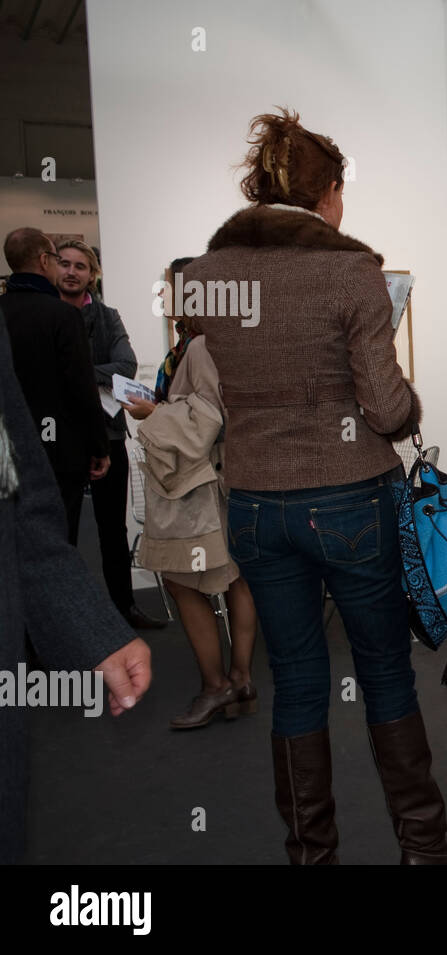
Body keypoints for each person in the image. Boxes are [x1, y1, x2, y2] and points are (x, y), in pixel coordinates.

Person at [183, 107, 447, 864]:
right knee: (383, 672)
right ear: (328, 191)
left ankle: (311, 855)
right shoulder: (351, 271)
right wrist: (410, 404)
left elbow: (216, 385)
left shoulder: (204, 279)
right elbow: (387, 409)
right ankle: (426, 850)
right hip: (347, 500)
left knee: (298, 680)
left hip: (253, 507)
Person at [0, 306, 153, 864]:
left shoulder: (97, 319)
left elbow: (20, 499)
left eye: (77, 265)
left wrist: (88, 626)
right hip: (84, 442)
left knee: (110, 537)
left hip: (84, 447)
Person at [123, 257, 260, 730]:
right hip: (229, 479)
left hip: (199, 486)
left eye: (171, 288)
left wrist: (149, 415)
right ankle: (240, 680)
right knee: (238, 577)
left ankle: (216, 685)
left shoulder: (200, 346)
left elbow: (204, 423)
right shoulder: (224, 339)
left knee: (183, 582)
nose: (164, 296)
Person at [57, 239, 166, 630]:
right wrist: (96, 373)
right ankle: (63, 618)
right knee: (62, 530)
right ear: (53, 267)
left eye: (80, 266)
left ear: (92, 273)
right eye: (65, 264)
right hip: (59, 439)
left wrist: (72, 371)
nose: (72, 272)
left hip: (109, 436)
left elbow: (127, 365)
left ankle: (124, 608)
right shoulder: (44, 314)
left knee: (112, 530)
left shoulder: (107, 317)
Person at [1, 229, 109, 540]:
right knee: (58, 541)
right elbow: (80, 387)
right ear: (44, 260)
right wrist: (98, 447)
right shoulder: (61, 315)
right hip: (57, 453)